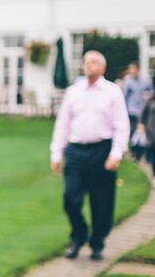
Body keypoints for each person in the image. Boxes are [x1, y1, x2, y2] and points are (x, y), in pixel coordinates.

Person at [51, 50, 129, 261]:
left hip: (101, 150)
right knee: (70, 198)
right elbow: (63, 124)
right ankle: (78, 234)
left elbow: (122, 124)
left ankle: (97, 242)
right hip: (76, 151)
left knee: (101, 202)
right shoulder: (73, 92)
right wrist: (56, 152)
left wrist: (116, 153)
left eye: (93, 62)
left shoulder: (112, 92)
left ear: (102, 68)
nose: (88, 65)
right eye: (86, 61)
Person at [119, 61, 152, 161]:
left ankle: (142, 150)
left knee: (142, 131)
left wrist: (148, 95)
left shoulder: (146, 80)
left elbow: (152, 91)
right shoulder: (128, 81)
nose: (131, 72)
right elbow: (124, 96)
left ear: (138, 70)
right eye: (130, 70)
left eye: (133, 69)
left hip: (143, 110)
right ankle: (134, 152)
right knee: (133, 131)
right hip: (131, 110)